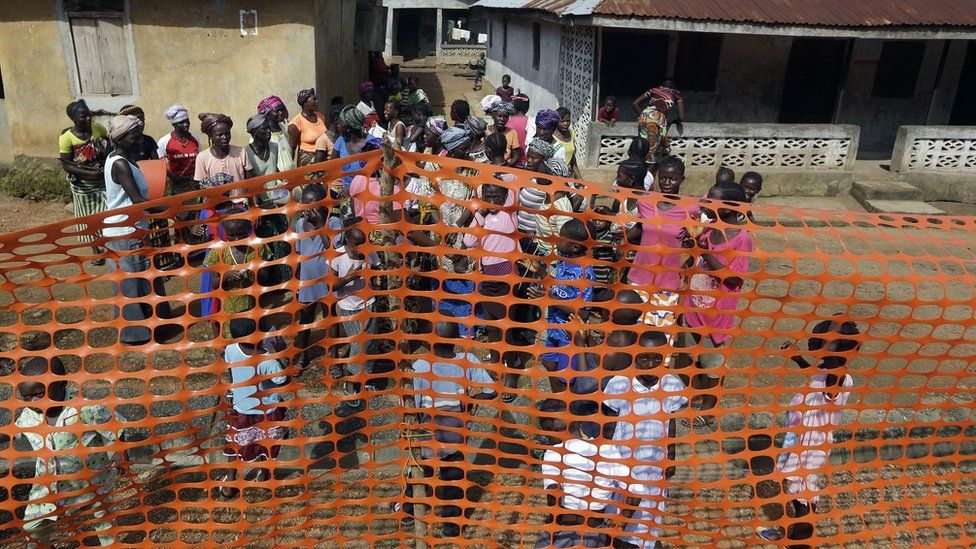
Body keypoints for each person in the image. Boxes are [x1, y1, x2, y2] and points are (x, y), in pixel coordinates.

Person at [756, 319, 860, 543]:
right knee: (801, 493)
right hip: (804, 442)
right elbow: (816, 372)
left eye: (824, 342)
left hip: (810, 448)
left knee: (801, 495)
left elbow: (832, 374)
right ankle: (796, 535)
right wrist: (797, 358)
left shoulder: (838, 379)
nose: (816, 344)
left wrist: (838, 346)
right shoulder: (828, 371)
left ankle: (800, 542)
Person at [679, 182, 753, 423]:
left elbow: (732, 276)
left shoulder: (742, 239)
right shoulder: (709, 229)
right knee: (693, 357)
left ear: (730, 209)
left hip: (716, 315)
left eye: (712, 202)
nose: (705, 204)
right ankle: (699, 397)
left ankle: (709, 408)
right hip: (693, 308)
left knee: (713, 365)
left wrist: (703, 252)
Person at [103, 114, 159, 346]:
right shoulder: (119, 163)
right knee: (130, 283)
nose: (138, 140)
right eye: (133, 137)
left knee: (140, 278)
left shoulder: (122, 158)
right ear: (120, 138)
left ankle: (148, 324)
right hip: (124, 232)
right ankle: (135, 334)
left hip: (132, 229)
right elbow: (137, 200)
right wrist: (172, 209)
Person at [219, 335, 291, 499]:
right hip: (270, 413)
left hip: (242, 410)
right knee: (269, 446)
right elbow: (284, 380)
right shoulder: (268, 360)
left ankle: (230, 484)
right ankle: (262, 479)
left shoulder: (231, 349)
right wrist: (281, 353)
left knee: (235, 447)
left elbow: (229, 369)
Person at [59, 99, 110, 264]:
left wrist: (106, 160)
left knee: (108, 214)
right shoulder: (66, 138)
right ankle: (96, 250)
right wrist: (88, 174)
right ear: (73, 118)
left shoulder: (97, 129)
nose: (88, 119)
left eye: (89, 115)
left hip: (102, 181)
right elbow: (67, 165)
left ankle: (110, 246)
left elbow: (109, 141)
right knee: (89, 219)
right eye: (83, 117)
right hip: (83, 186)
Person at [293, 184, 330, 367]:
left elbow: (331, 247)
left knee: (329, 318)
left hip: (327, 280)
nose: (309, 208)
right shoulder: (299, 224)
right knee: (305, 319)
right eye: (305, 203)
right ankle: (302, 355)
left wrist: (320, 225)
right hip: (307, 280)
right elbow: (299, 253)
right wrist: (295, 281)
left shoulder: (333, 222)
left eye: (313, 204)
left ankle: (334, 355)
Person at [157, 103, 201, 196]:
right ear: (174, 124)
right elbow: (159, 165)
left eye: (187, 121)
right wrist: (171, 176)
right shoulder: (164, 141)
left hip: (194, 183)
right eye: (181, 122)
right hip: (175, 184)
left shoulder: (195, 138)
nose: (186, 124)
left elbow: (199, 159)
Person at [194, 113, 251, 182]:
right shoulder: (202, 158)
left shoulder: (241, 152)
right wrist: (214, 183)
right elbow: (199, 185)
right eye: (220, 135)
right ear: (210, 136)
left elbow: (250, 180)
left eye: (227, 134)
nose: (225, 137)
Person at [288, 87, 327, 166]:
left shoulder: (320, 117)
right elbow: (292, 149)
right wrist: (290, 170)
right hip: (307, 163)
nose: (317, 102)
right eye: (314, 99)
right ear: (305, 103)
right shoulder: (295, 124)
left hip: (323, 158)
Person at [257, 95, 296, 172]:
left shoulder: (284, 128)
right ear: (267, 113)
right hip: (276, 178)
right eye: (277, 111)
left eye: (281, 110)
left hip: (291, 174)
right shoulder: (262, 134)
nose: (281, 113)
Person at [485, 99, 522, 167]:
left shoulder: (512, 133)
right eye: (499, 116)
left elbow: (516, 155)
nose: (502, 119)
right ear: (493, 116)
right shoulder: (485, 131)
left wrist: (507, 166)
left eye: (505, 117)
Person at [245, 113, 279, 179]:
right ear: (254, 132)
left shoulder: (274, 147)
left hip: (275, 188)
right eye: (265, 128)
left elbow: (274, 168)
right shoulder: (246, 153)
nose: (269, 131)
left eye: (269, 128)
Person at [553, 107, 580, 178]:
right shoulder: (551, 135)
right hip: (553, 176)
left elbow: (572, 157)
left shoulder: (571, 133)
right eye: (562, 121)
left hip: (567, 175)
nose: (565, 124)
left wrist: (579, 177)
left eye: (568, 121)